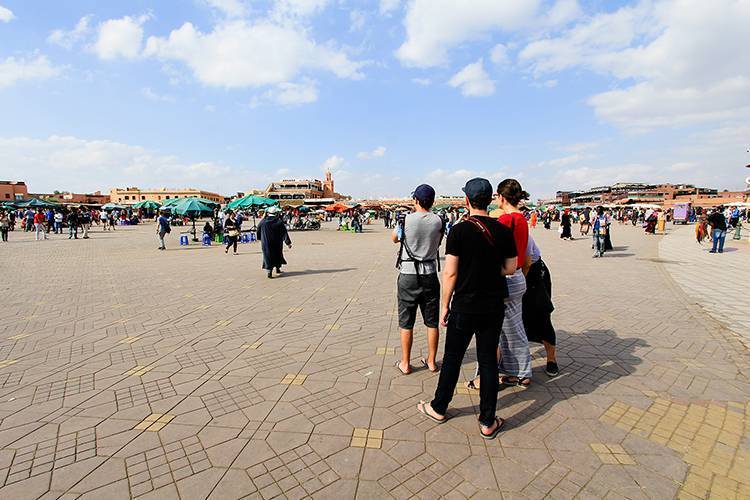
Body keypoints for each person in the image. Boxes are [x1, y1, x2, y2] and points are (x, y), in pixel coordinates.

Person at [416, 178, 517, 440]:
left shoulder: (459, 231)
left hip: (464, 304)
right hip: (493, 305)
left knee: (452, 357)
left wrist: (444, 306)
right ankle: (487, 421)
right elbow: (510, 268)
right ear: (491, 199)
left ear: (467, 200)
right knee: (488, 361)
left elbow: (450, 273)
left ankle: (439, 407)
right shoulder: (503, 230)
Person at [392, 184, 443, 375]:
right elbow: (437, 243)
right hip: (429, 273)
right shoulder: (439, 221)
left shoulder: (406, 220)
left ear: (416, 200)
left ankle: (405, 363)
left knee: (406, 321)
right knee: (431, 321)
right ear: (432, 201)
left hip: (408, 274)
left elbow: (394, 239)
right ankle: (431, 361)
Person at [495, 179, 533, 387]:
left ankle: (520, 372)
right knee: (513, 327)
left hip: (506, 277)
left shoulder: (506, 220)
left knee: (505, 330)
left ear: (501, 196)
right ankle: (517, 371)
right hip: (518, 276)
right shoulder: (522, 218)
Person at [522, 234, 559, 377]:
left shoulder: (520, 233)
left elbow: (527, 263)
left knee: (542, 317)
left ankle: (551, 359)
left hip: (533, 274)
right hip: (516, 274)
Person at [257, 206, 292, 278]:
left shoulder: (263, 221)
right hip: (277, 243)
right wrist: (288, 243)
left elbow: (258, 230)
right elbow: (284, 233)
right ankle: (277, 268)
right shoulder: (279, 222)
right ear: (276, 214)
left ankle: (269, 271)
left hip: (266, 243)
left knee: (267, 256)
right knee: (278, 255)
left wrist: (259, 238)